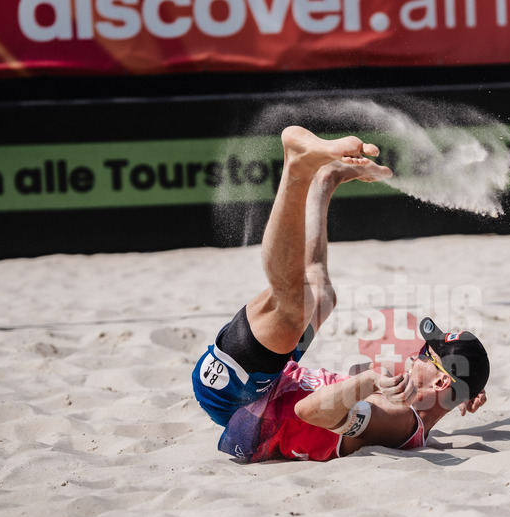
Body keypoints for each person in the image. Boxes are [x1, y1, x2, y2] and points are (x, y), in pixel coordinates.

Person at [192, 126, 489, 463]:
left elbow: (308, 410)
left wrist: (369, 381)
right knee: (322, 294)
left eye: (425, 353)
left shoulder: (399, 420)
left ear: (439, 383)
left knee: (293, 304)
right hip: (270, 378)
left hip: (241, 397)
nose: (414, 353)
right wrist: (327, 185)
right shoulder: (411, 401)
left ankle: (297, 170)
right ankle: (320, 182)